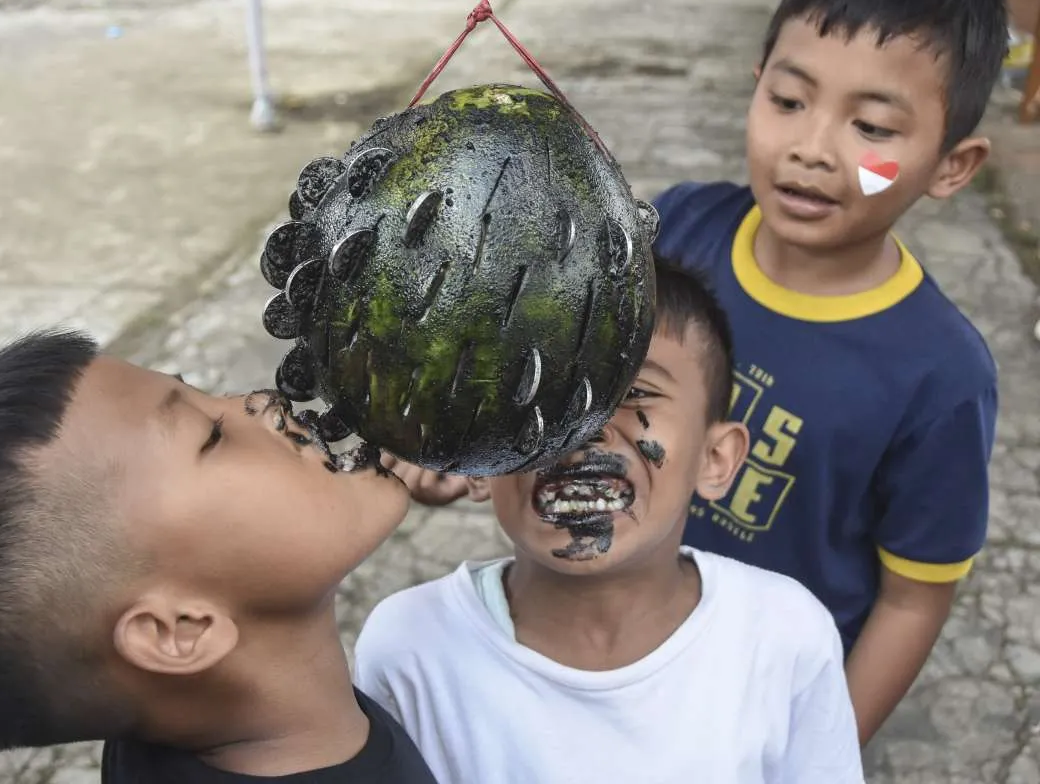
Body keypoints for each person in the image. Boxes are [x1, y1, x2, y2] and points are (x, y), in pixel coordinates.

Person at [386, 0, 1009, 747]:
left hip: (751, 697)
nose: (810, 146)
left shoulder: (940, 375)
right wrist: (471, 439)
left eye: (871, 125)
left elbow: (915, 601)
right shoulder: (677, 227)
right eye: (788, 101)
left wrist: (819, 738)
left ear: (953, 165)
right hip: (608, 639)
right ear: (755, 86)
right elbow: (559, 352)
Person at [0, 329, 438, 783]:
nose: (255, 399)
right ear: (179, 630)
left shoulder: (165, 722)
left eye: (206, 394)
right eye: (211, 436)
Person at [355, 261, 866, 784]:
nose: (583, 429)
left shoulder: (785, 636)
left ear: (714, 459)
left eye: (635, 393)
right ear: (477, 457)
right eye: (537, 391)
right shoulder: (409, 649)